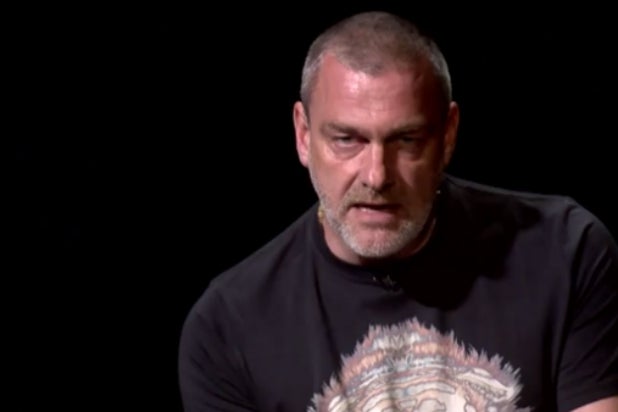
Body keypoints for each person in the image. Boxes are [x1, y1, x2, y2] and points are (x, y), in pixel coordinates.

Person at [178, 10, 618, 412]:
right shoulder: (228, 328)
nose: (376, 175)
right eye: (347, 140)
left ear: (447, 136)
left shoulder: (565, 254)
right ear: (303, 135)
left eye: (406, 141)